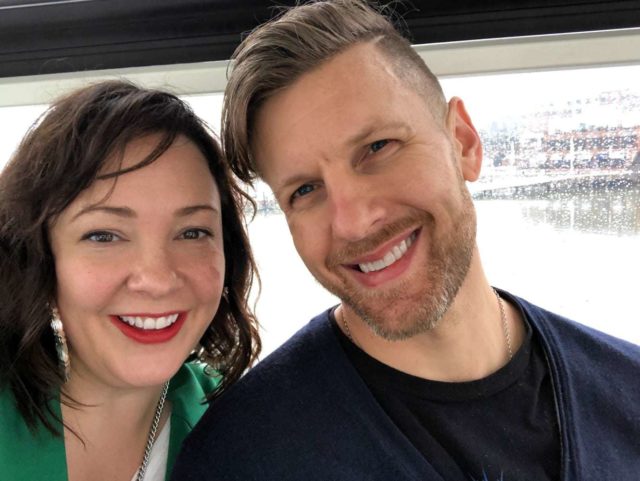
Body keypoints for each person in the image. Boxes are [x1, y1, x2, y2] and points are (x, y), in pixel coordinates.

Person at [172, 1, 640, 480]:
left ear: (463, 143)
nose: (353, 222)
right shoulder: (242, 458)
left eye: (377, 148)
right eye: (305, 190)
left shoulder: (627, 388)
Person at [0, 80, 260, 480]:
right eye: (103, 235)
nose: (157, 280)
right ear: (40, 259)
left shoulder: (250, 432)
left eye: (192, 232)